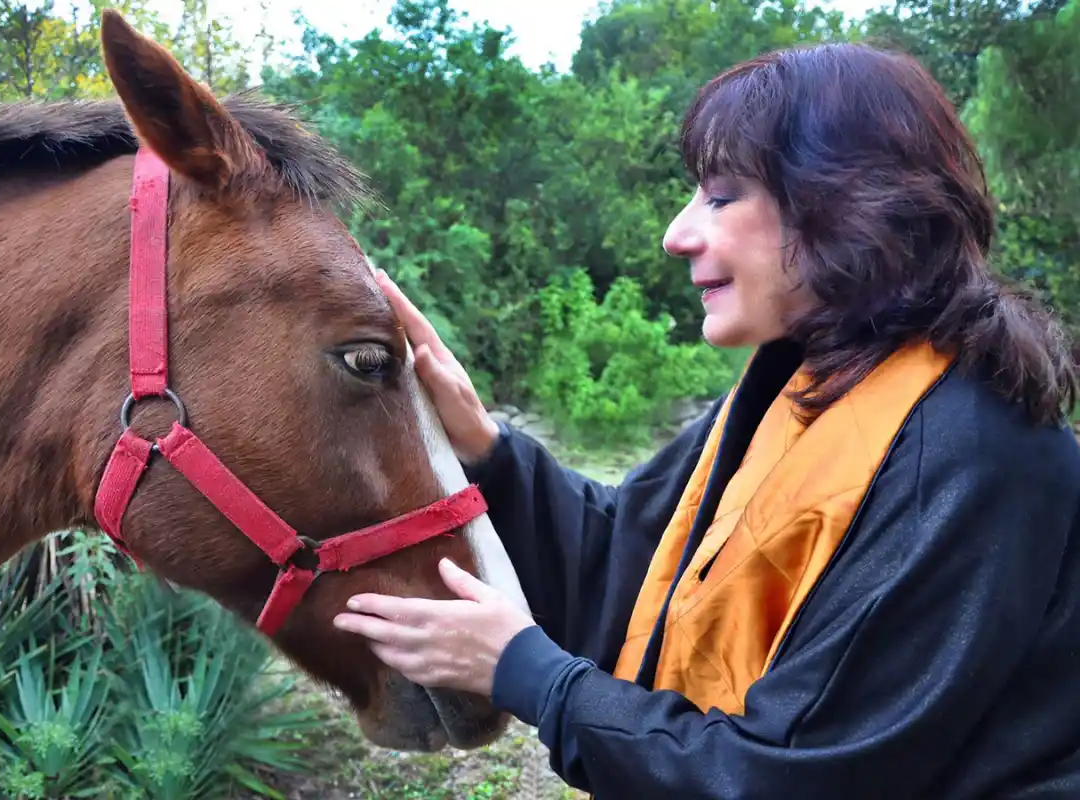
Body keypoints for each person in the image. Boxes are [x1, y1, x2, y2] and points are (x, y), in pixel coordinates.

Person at [332, 41, 1080, 799]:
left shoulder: (968, 452)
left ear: (849, 200)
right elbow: (636, 561)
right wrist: (486, 450)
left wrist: (530, 674)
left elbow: (799, 778)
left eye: (722, 196)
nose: (676, 234)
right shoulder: (808, 379)